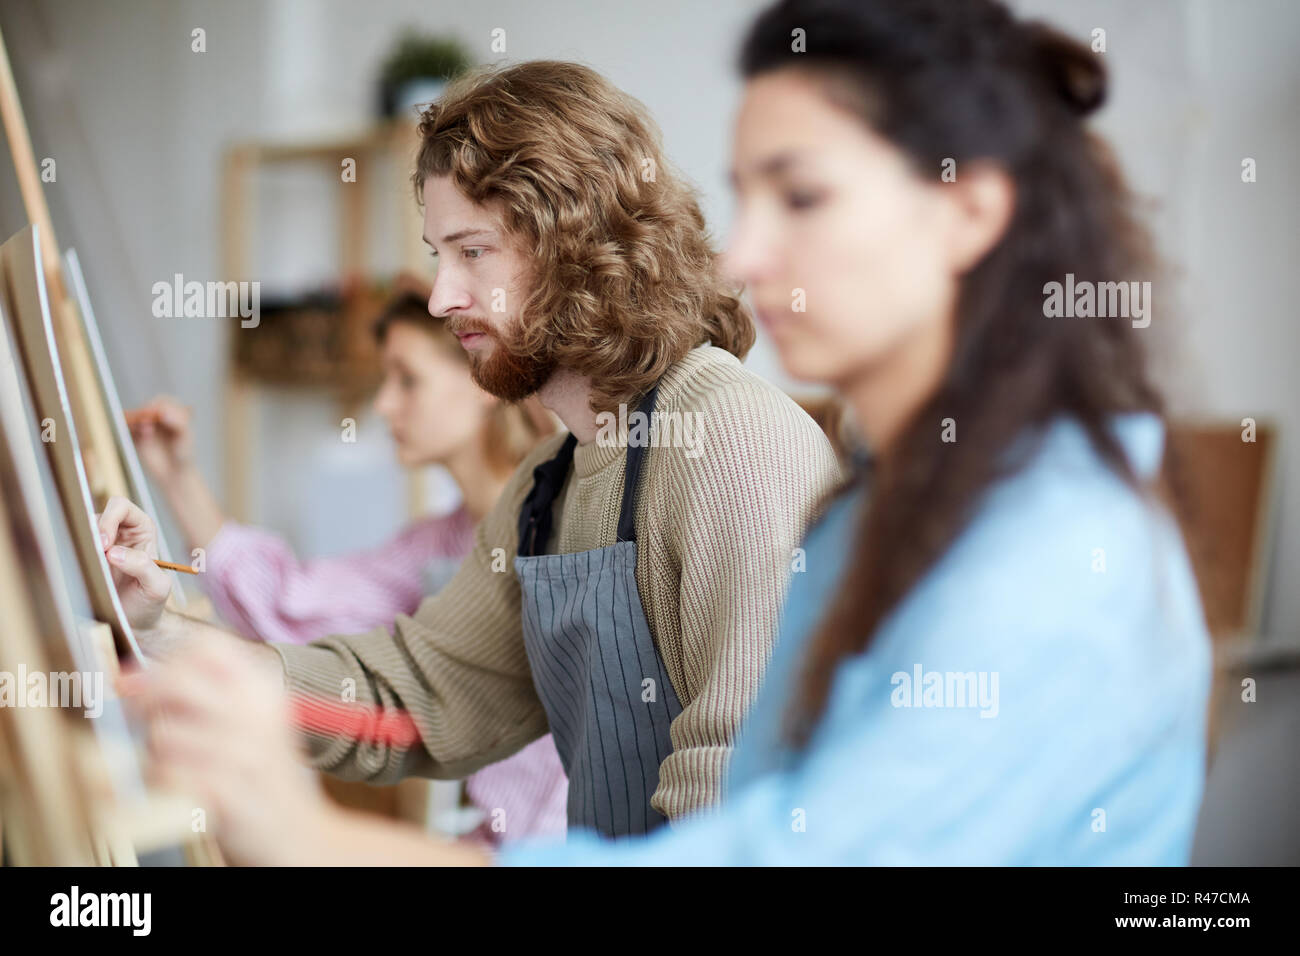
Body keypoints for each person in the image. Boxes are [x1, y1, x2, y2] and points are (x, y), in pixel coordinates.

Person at [113, 0, 1212, 865]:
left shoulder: (760, 456)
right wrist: (173, 641)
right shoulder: (570, 475)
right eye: (745, 198)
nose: (743, 253)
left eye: (802, 197)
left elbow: (747, 839)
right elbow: (419, 694)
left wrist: (319, 844)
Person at [100, 58, 843, 841]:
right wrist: (162, 629)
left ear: (575, 242)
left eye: (473, 252)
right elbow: (413, 694)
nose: (440, 296)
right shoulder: (549, 485)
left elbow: (743, 813)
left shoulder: (731, 445)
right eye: (437, 255)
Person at [125, 282, 568, 846]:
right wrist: (176, 477)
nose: (383, 404)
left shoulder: (562, 522)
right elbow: (295, 605)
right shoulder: (439, 543)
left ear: (484, 377)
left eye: (407, 379)